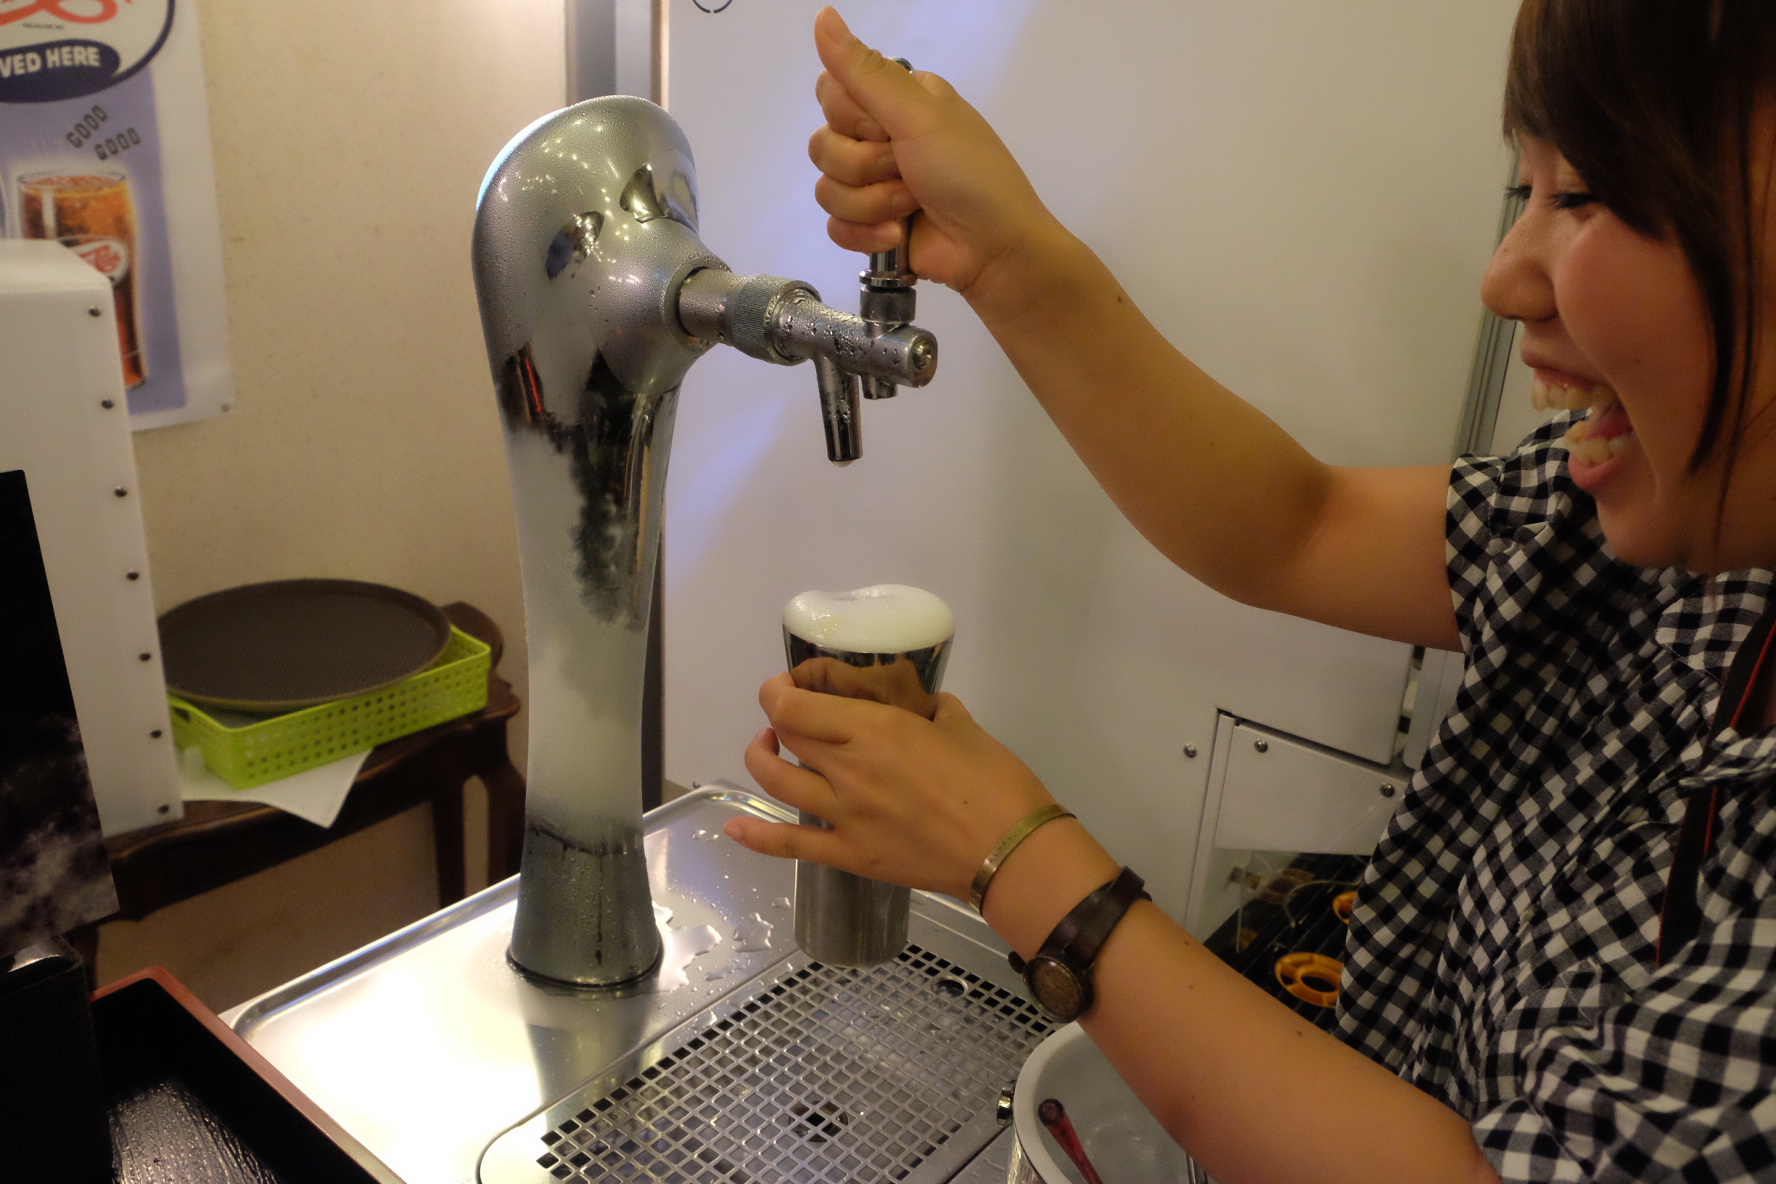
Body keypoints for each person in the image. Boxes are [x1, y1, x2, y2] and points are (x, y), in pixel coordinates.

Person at [720, 2, 1776, 1180]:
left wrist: (1013, 855)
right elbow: (1298, 526)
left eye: (1580, 194)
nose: (1505, 278)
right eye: (1522, 190)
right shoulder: (1670, 536)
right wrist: (1000, 254)